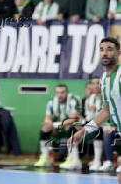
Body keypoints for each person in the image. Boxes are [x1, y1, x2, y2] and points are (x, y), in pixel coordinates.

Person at [71, 37, 121, 183]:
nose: (104, 53)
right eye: (101, 49)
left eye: (109, 49)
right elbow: (105, 111)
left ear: (119, 53)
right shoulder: (104, 78)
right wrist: (82, 131)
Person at [34, 85, 82, 169]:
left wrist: (55, 125)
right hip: (60, 126)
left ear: (67, 93)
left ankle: (73, 159)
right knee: (45, 127)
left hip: (79, 127)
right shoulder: (51, 101)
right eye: (58, 93)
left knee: (70, 126)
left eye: (62, 92)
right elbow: (47, 118)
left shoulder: (74, 100)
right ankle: (45, 158)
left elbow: (73, 119)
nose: (60, 95)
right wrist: (49, 124)